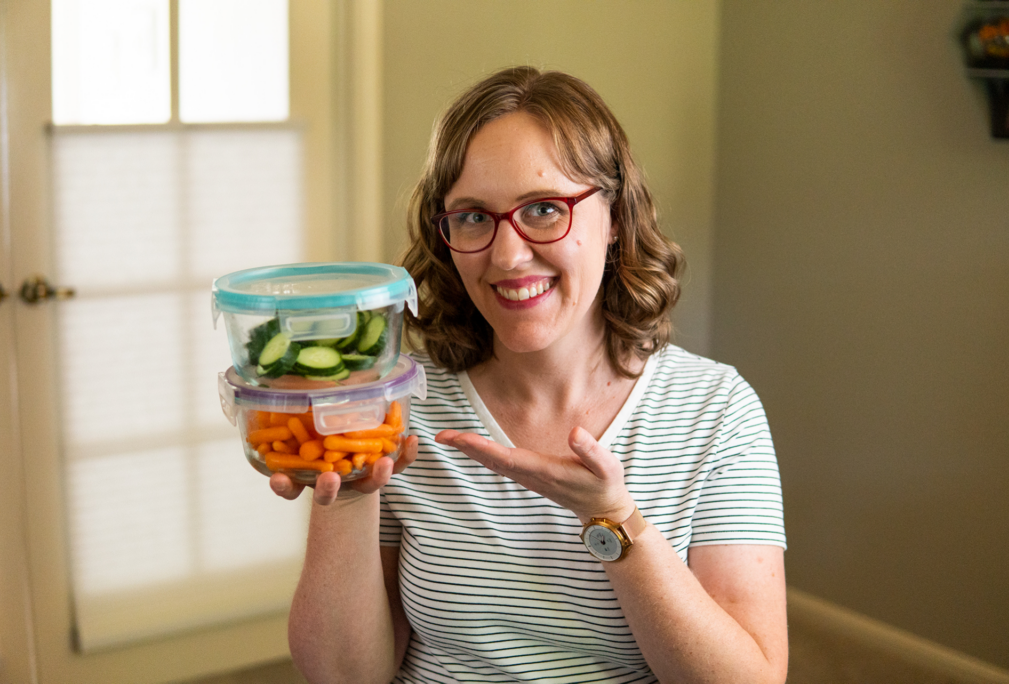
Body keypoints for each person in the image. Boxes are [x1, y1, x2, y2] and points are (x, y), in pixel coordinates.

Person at [270, 66, 788, 684]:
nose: (508, 255)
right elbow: (346, 677)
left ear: (615, 214)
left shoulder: (715, 411)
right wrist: (350, 493)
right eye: (472, 216)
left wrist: (615, 522)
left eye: (544, 208)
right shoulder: (398, 403)